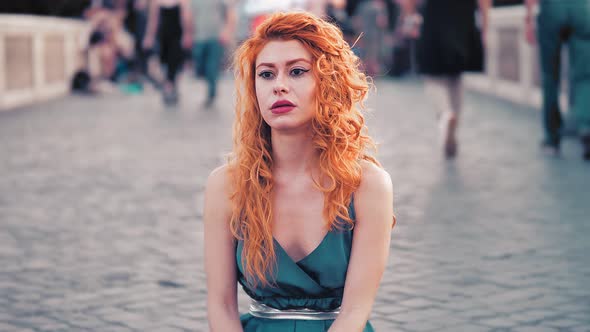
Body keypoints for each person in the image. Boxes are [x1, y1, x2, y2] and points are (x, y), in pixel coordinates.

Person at [203, 12, 395, 332]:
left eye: (297, 72)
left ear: (327, 82)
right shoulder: (226, 185)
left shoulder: (367, 186)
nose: (279, 86)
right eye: (266, 74)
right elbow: (220, 305)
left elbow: (355, 310)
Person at [403, 0, 490, 158]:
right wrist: (485, 26)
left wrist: (411, 18)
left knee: (432, 76)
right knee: (456, 76)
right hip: (463, 18)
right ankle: (453, 126)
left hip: (434, 16)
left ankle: (445, 115)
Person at [525, 0, 590, 160]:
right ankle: (586, 126)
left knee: (550, 76)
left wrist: (529, 19)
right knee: (584, 75)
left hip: (551, 8)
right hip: (580, 9)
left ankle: (552, 139)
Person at [143, 0, 193, 105]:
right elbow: (153, 20)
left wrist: (187, 34)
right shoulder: (156, 2)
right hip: (162, 37)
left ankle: (170, 87)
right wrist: (149, 37)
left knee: (174, 62)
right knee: (163, 63)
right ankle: (169, 86)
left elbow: (185, 18)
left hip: (176, 36)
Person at [190, 0, 237, 108]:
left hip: (216, 37)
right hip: (198, 37)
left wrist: (227, 32)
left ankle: (211, 93)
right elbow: (190, 16)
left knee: (212, 66)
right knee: (200, 65)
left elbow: (230, 14)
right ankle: (210, 83)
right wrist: (189, 33)